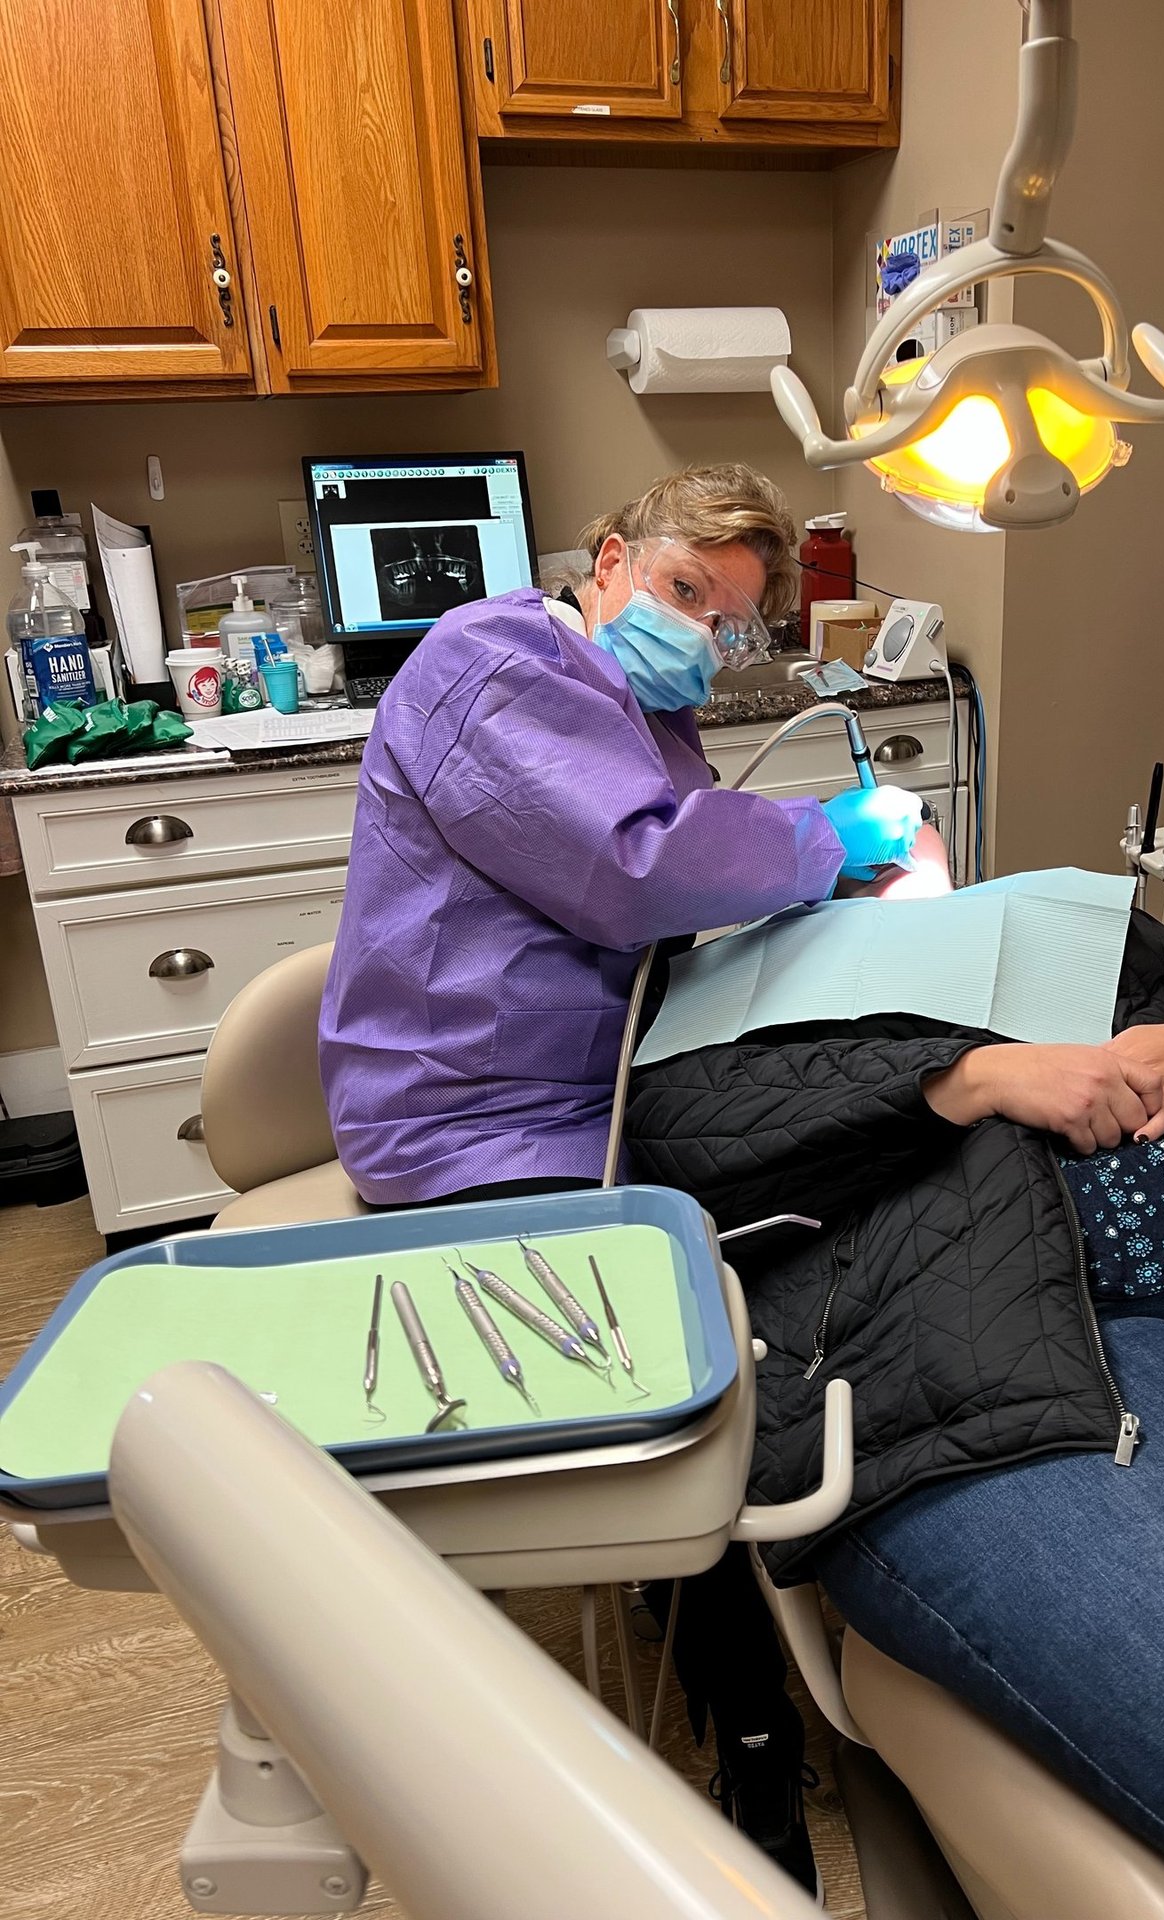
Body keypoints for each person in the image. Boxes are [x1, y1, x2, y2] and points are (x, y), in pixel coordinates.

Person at [320, 463, 923, 1894]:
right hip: (469, 1114)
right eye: (683, 592)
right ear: (607, 561)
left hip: (596, 1085)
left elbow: (689, 884)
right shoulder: (489, 665)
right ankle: (753, 1731)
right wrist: (830, 839)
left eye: (729, 619)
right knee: (669, 1353)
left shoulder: (636, 707)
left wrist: (830, 883)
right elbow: (637, 869)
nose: (703, 633)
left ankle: (750, 1568)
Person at [625, 897, 1164, 1920]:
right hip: (1014, 1337)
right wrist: (965, 1079)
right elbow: (682, 1143)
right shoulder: (713, 991)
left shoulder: (1053, 915)